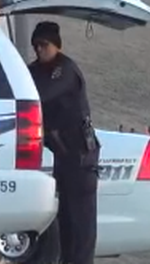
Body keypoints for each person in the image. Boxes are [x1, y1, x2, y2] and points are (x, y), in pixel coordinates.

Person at [27, 21, 100, 264]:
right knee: (65, 222)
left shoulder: (65, 70)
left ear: (56, 45)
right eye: (36, 45)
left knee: (81, 225)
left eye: (44, 45)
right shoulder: (36, 70)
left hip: (79, 155)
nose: (39, 50)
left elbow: (42, 94)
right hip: (61, 154)